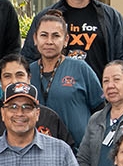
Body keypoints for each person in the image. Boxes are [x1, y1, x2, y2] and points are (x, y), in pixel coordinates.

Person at [0, 52, 77, 155]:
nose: (14, 81)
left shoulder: (49, 117)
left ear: (29, 78)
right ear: (0, 81)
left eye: (19, 75)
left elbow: (68, 152)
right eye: (7, 76)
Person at [28, 10, 103, 146]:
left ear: (66, 40)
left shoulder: (80, 68)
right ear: (35, 39)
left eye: (56, 36)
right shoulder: (28, 73)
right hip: (38, 152)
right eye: (44, 35)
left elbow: (101, 109)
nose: (49, 41)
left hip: (78, 152)